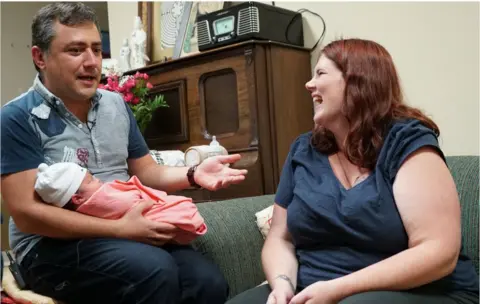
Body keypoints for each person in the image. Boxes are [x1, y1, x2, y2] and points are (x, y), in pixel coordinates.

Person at [1, 3, 247, 304]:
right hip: (50, 246)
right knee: (155, 272)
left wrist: (193, 174)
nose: (92, 62)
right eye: (76, 51)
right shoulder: (16, 118)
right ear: (40, 57)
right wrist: (120, 229)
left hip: (124, 225)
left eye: (95, 49)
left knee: (206, 283)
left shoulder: (115, 105)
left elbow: (146, 172)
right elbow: (28, 216)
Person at [227, 38, 479, 304]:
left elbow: (438, 252)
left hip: (422, 291)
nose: (309, 84)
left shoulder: (406, 141)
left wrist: (338, 289)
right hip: (315, 289)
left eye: (321, 73)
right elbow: (280, 237)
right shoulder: (304, 150)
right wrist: (282, 285)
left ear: (357, 81)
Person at [34, 162, 207, 245]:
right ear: (77, 199)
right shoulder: (97, 200)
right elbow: (129, 201)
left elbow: (147, 170)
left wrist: (194, 174)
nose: (98, 180)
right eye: (91, 180)